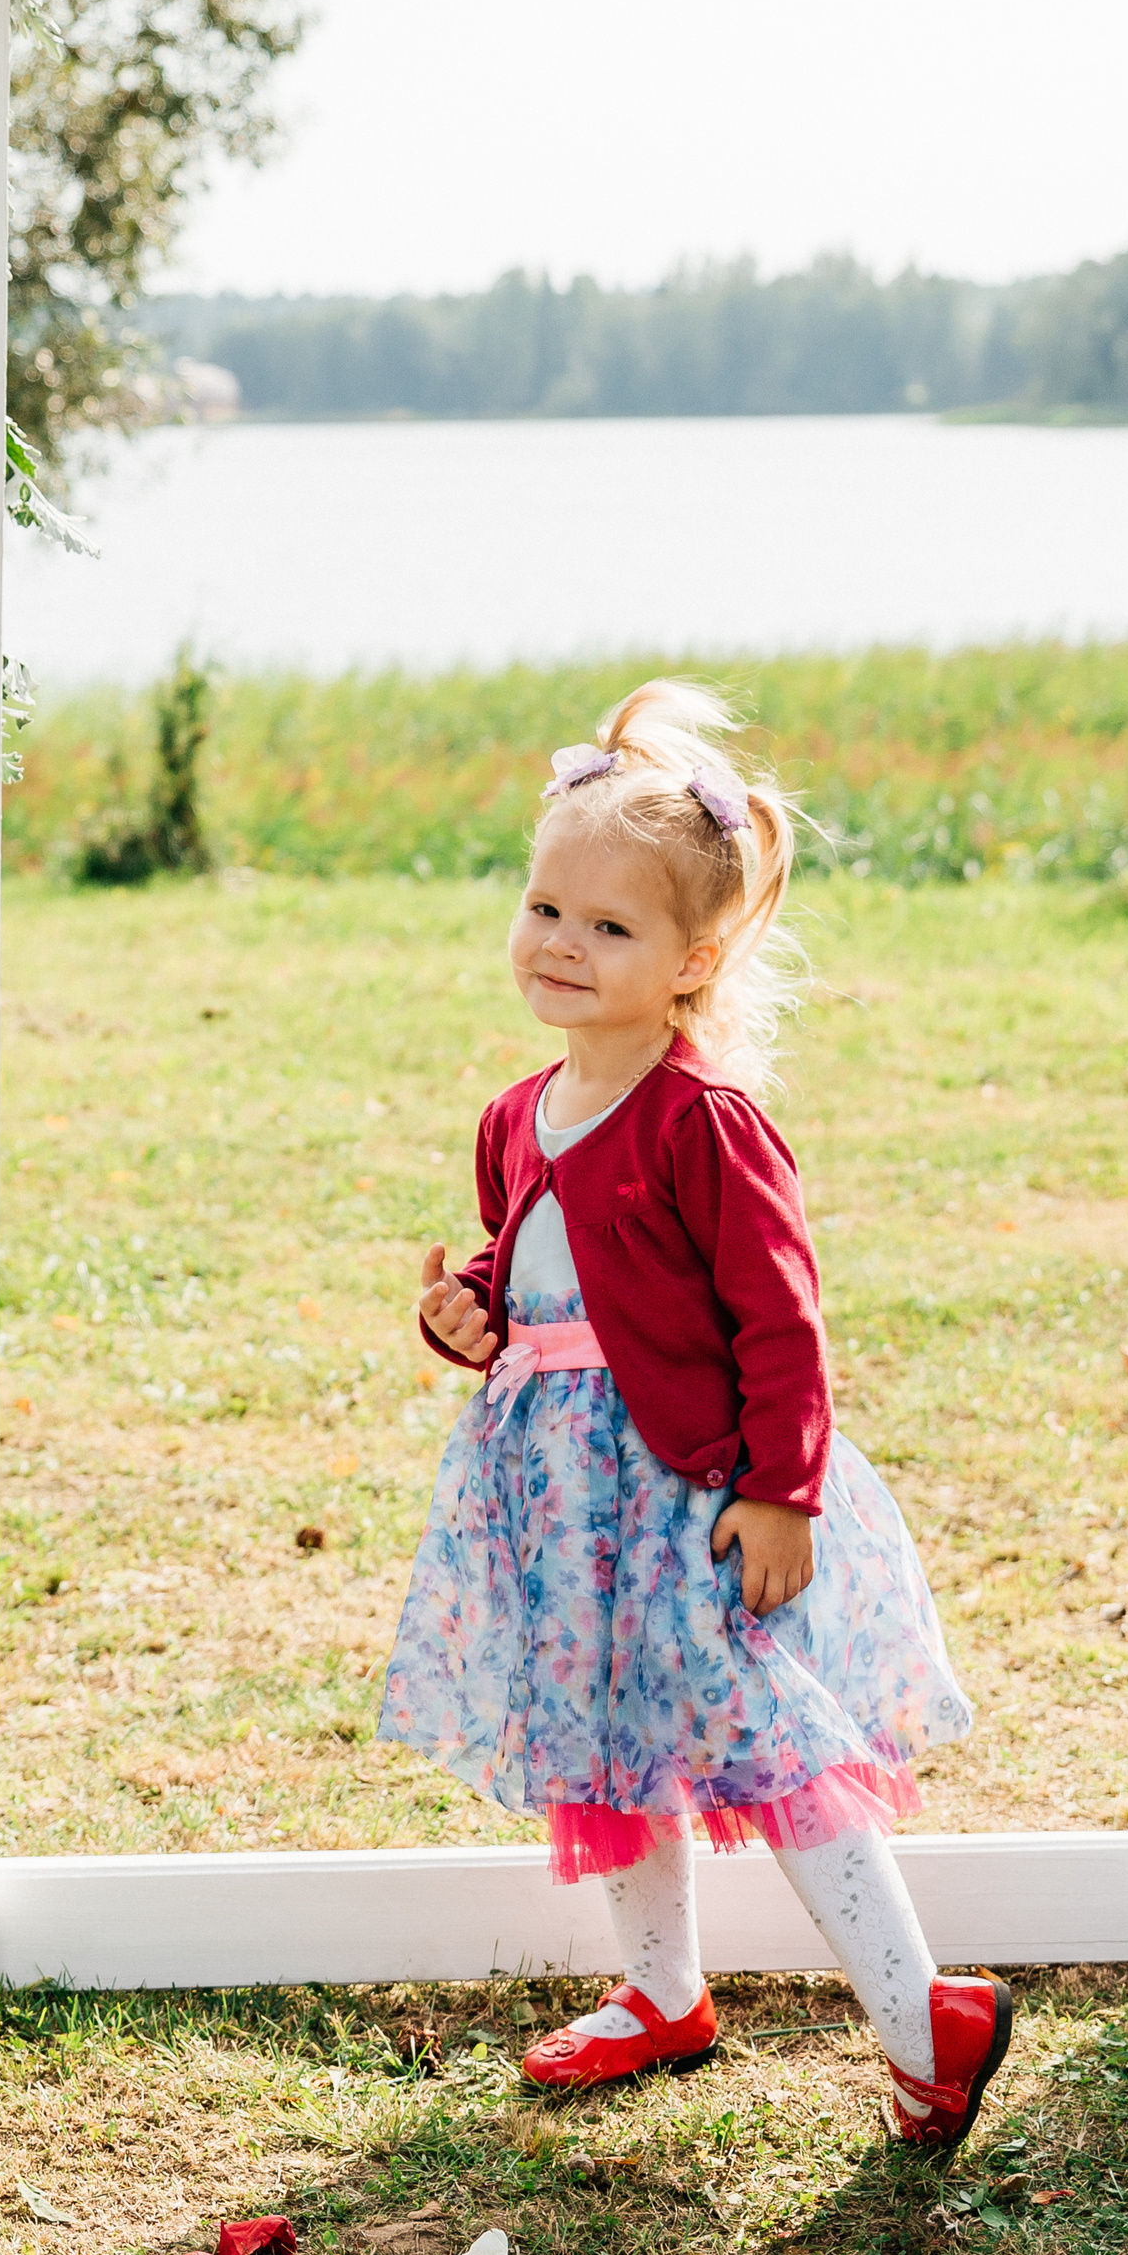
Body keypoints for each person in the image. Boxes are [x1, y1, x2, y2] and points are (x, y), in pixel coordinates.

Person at [379, 679, 1010, 2156]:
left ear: (692, 962)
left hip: (690, 1495)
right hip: (561, 1497)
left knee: (771, 1748)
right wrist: (466, 1313)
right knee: (609, 1737)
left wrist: (782, 1489)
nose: (561, 943)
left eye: (610, 927)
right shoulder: (518, 1116)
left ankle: (923, 2013)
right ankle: (662, 1991)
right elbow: (529, 1277)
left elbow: (781, 1319)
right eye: (546, 907)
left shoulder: (701, 1120)